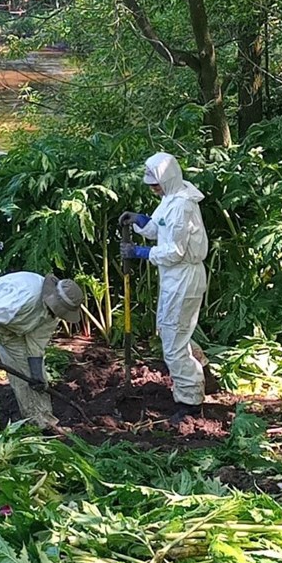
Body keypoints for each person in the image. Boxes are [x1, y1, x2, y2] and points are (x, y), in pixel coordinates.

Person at [120, 152, 209, 424]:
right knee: (172, 329)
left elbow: (175, 251)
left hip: (183, 276)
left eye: (156, 184)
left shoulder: (182, 205)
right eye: (150, 185)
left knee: (173, 341)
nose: (153, 189)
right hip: (174, 278)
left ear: (168, 178)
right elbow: (160, 228)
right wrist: (140, 220)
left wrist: (140, 252)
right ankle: (202, 370)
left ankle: (190, 403)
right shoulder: (171, 198)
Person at [0, 271, 85, 431]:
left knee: (31, 377)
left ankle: (42, 424)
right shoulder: (28, 295)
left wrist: (36, 374)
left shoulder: (53, 317)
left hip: (13, 329)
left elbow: (36, 344)